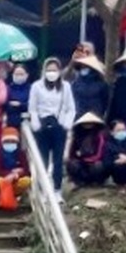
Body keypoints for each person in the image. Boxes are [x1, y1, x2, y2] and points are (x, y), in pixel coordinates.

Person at [28, 57, 75, 201]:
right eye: (49, 70)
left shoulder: (66, 86)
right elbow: (33, 107)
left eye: (54, 70)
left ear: (60, 71)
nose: (51, 73)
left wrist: (65, 124)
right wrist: (36, 125)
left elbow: (70, 108)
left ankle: (57, 189)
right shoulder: (36, 86)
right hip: (42, 125)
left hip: (59, 125)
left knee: (58, 160)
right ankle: (42, 191)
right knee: (43, 160)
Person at [0, 126, 31, 202]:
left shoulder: (21, 153)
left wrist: (16, 175)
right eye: (7, 141)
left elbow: (26, 171)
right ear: (2, 142)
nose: (10, 143)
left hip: (15, 181)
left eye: (13, 141)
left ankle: (12, 196)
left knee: (27, 180)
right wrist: (12, 174)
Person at [65, 112, 109, 187]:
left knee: (98, 166)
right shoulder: (77, 137)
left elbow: (100, 154)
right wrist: (77, 160)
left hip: (95, 162)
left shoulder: (99, 136)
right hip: (82, 163)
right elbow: (72, 153)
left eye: (90, 123)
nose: (87, 125)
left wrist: (88, 160)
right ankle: (80, 182)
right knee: (71, 163)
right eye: (85, 123)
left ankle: (97, 182)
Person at [70, 55, 110, 120]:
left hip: (96, 117)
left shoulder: (102, 84)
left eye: (86, 66)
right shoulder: (75, 83)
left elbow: (105, 102)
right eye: (82, 66)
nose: (83, 68)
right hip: (79, 117)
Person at [4, 63, 31, 130]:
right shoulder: (7, 88)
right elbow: (4, 103)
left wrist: (20, 104)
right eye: (16, 74)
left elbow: (33, 104)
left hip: (27, 121)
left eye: (21, 74)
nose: (19, 76)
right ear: (12, 75)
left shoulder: (31, 88)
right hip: (11, 121)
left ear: (27, 75)